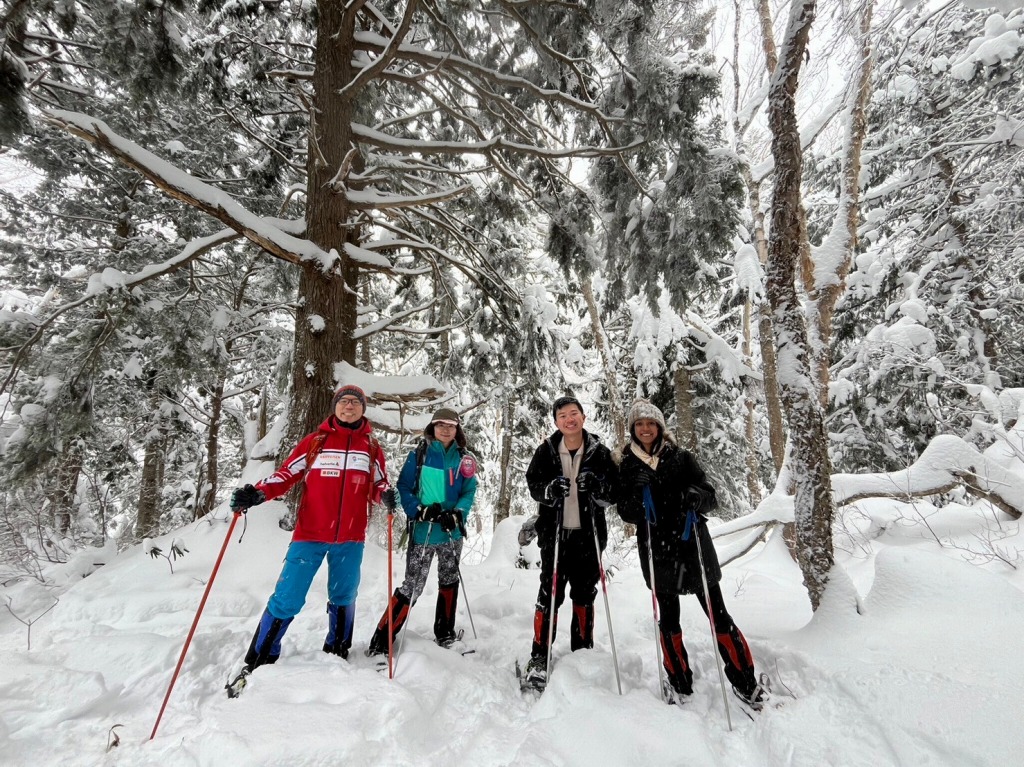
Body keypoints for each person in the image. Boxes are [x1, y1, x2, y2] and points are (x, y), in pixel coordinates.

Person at [226, 383, 392, 692]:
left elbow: (380, 483)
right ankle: (260, 656)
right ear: (335, 407)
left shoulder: (370, 447)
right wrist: (257, 492)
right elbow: (287, 474)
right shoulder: (316, 442)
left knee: (344, 595)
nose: (349, 406)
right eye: (344, 401)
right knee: (288, 595)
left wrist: (386, 496)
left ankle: (338, 650)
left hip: (351, 536)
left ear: (362, 410)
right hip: (311, 532)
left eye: (356, 402)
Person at [614, 399, 765, 706]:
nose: (645, 429)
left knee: (719, 614)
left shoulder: (681, 457)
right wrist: (635, 495)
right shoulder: (627, 464)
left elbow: (710, 495)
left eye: (651, 423)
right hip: (657, 551)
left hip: (692, 546)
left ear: (659, 428)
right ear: (633, 429)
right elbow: (625, 512)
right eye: (640, 424)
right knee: (669, 619)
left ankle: (745, 681)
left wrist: (697, 496)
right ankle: (679, 681)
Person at [522, 395, 617, 688]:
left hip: (588, 537)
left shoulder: (599, 452)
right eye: (562, 416)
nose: (569, 419)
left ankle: (582, 652)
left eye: (573, 413)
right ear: (556, 422)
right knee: (550, 593)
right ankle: (539, 655)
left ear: (583, 417)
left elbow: (612, 493)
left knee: (584, 594)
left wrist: (598, 487)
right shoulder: (547, 451)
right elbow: (534, 484)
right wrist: (549, 490)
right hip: (555, 535)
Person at [367, 407, 478, 654]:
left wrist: (458, 513)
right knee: (413, 585)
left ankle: (445, 633)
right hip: (422, 531)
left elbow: (469, 490)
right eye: (441, 425)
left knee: (449, 580)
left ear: (457, 429)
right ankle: (382, 639)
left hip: (451, 532)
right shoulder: (418, 455)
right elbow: (404, 487)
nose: (446, 430)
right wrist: (417, 509)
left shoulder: (464, 459)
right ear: (432, 427)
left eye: (451, 426)